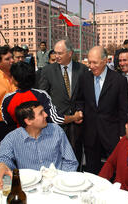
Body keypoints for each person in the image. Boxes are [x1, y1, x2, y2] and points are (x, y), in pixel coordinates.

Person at [0, 101, 78, 189]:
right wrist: (1, 164)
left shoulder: (56, 131)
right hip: (28, 188)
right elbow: (1, 159)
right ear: (28, 121)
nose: (46, 115)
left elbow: (71, 161)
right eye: (41, 113)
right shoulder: (12, 138)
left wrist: (60, 181)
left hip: (56, 186)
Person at [76, 46, 128, 174]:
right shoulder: (84, 78)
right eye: (89, 62)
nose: (91, 66)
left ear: (105, 61)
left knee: (114, 168)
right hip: (90, 133)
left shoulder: (119, 80)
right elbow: (79, 100)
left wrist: (122, 133)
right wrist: (79, 110)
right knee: (91, 170)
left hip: (111, 133)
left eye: (95, 62)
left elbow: (123, 109)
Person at [39, 39, 88, 167]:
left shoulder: (82, 69)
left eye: (60, 53)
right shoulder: (47, 71)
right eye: (55, 53)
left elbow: (84, 95)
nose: (56, 56)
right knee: (56, 157)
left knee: (75, 154)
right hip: (56, 123)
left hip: (77, 123)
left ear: (70, 53)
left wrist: (80, 111)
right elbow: (43, 97)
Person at [2, 61, 83, 128]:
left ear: (15, 80)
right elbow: (55, 119)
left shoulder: (7, 99)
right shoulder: (41, 95)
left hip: (20, 138)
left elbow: (7, 121)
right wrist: (74, 117)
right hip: (42, 137)